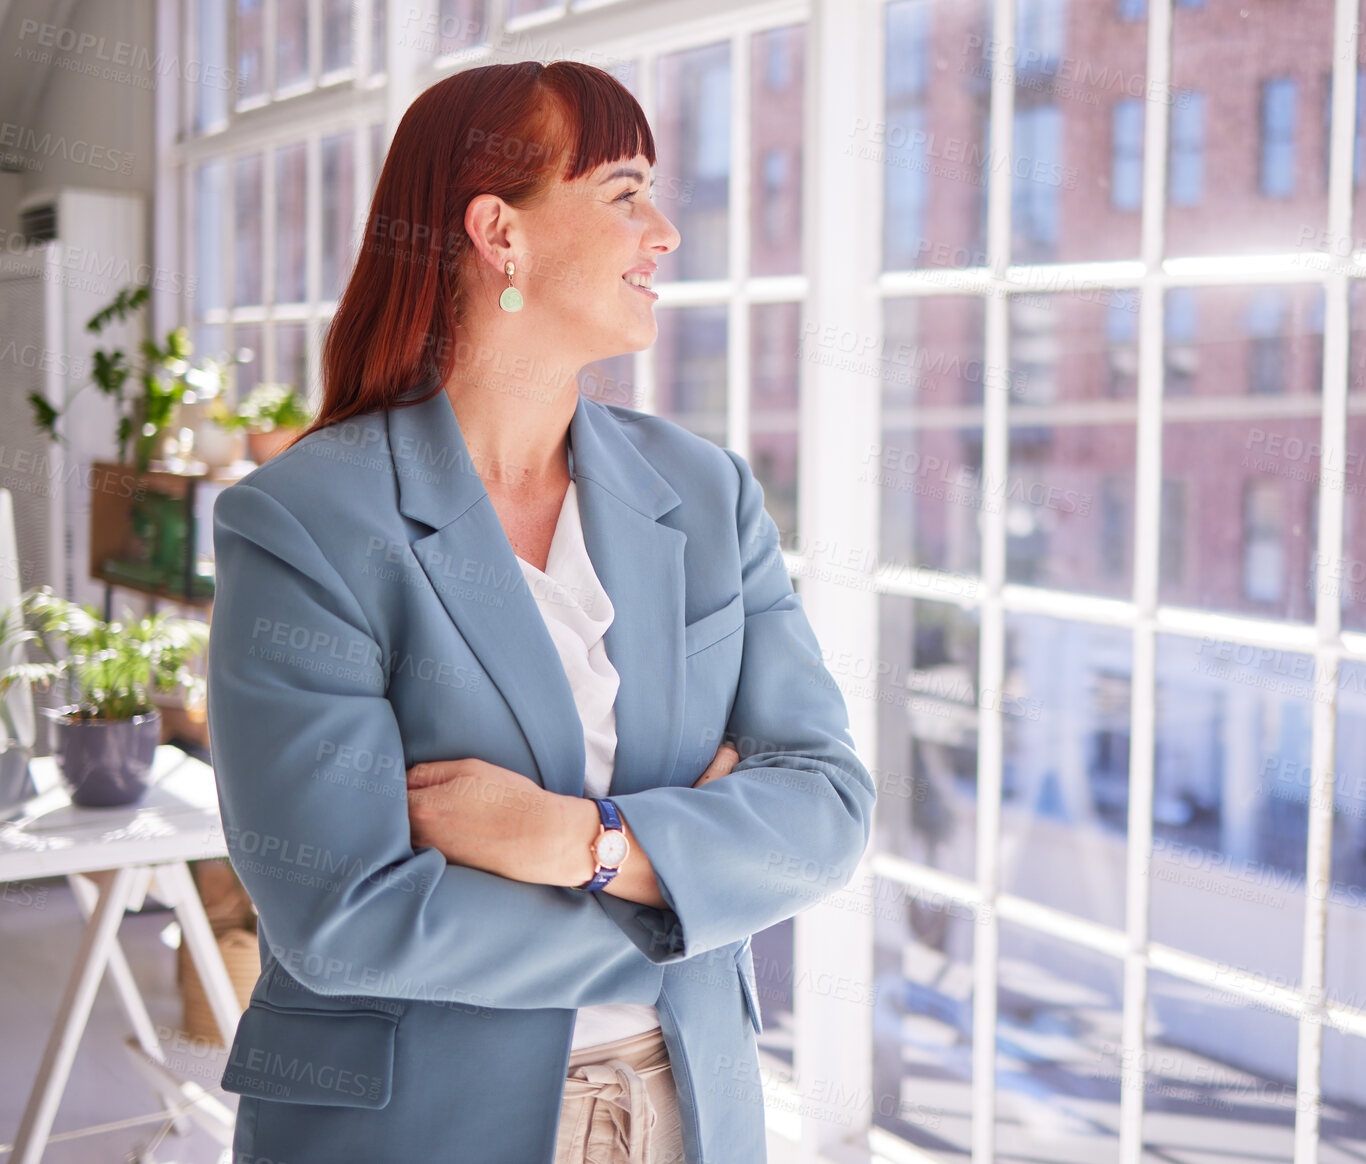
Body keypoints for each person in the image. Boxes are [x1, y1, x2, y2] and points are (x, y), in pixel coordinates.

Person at [204, 60, 874, 1164]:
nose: (661, 233)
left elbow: (825, 809)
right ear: (496, 233)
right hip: (416, 1126)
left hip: (691, 1112)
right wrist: (690, 883)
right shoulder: (305, 522)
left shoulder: (705, 494)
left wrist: (573, 840)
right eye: (622, 193)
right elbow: (347, 919)